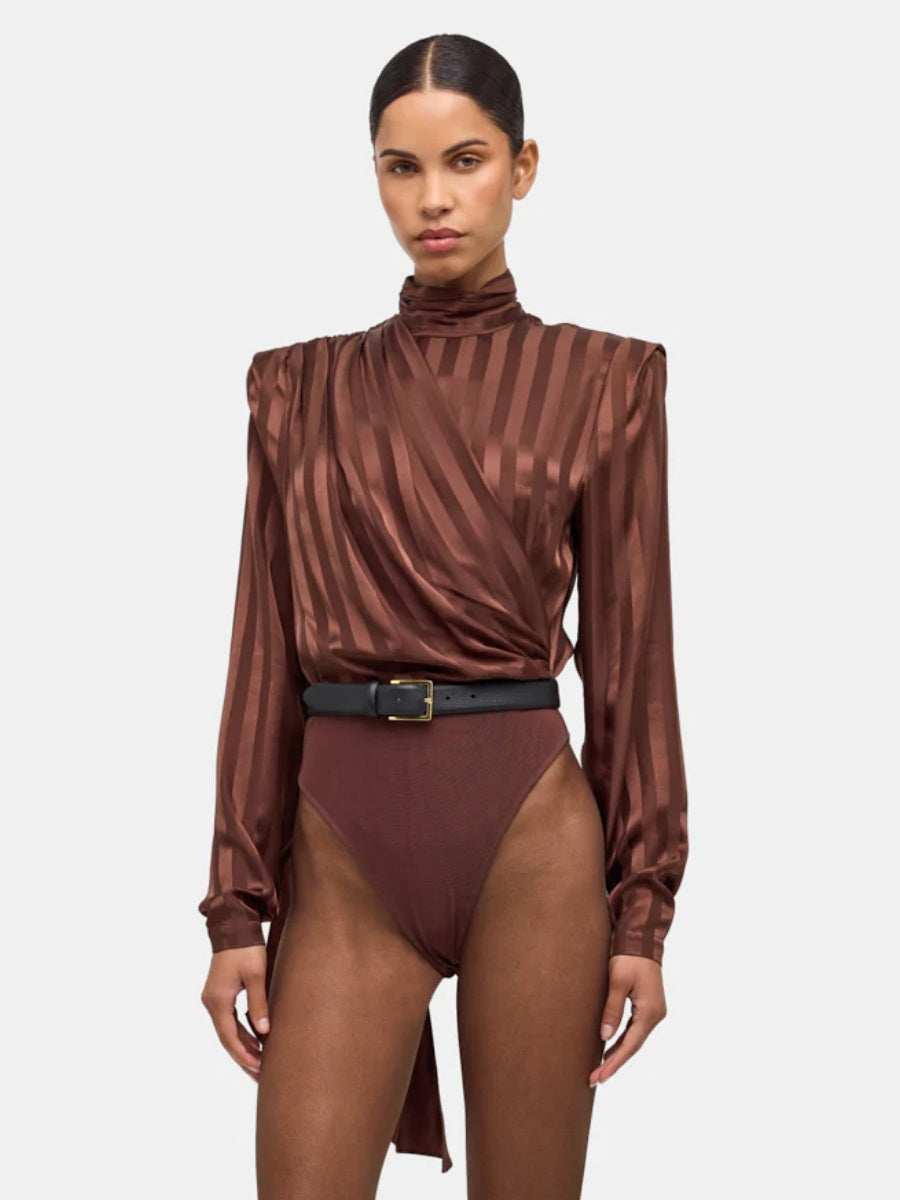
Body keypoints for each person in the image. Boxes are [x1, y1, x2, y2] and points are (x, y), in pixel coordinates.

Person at [198, 32, 689, 1200]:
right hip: (342, 844)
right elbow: (262, 656)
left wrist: (643, 914)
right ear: (374, 175)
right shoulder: (296, 389)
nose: (433, 198)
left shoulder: (607, 380)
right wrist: (235, 911)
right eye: (401, 166)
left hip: (531, 838)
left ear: (523, 167)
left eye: (465, 161)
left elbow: (633, 664)